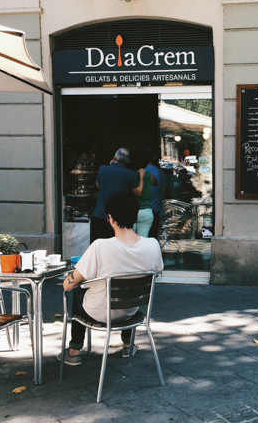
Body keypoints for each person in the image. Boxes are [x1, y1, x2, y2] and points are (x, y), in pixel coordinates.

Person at [59, 193, 164, 366]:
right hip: (131, 311)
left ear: (111, 219)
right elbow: (158, 270)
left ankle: (74, 351)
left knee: (78, 290)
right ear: (135, 216)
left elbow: (67, 285)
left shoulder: (100, 246)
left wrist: (74, 276)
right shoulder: (153, 245)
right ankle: (128, 345)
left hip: (99, 313)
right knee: (129, 288)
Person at [90, 148, 145, 243]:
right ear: (128, 162)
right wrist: (141, 177)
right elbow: (139, 192)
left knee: (102, 243)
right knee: (117, 244)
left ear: (114, 157)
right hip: (118, 216)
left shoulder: (102, 169)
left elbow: (98, 185)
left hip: (101, 213)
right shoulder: (129, 174)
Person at [129, 150, 157, 238]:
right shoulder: (148, 174)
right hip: (146, 210)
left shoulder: (128, 174)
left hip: (131, 210)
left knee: (129, 240)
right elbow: (155, 182)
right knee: (143, 240)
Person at [144, 149, 165, 239]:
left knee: (143, 231)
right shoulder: (161, 173)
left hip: (144, 206)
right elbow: (163, 191)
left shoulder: (143, 171)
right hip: (156, 206)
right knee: (153, 231)